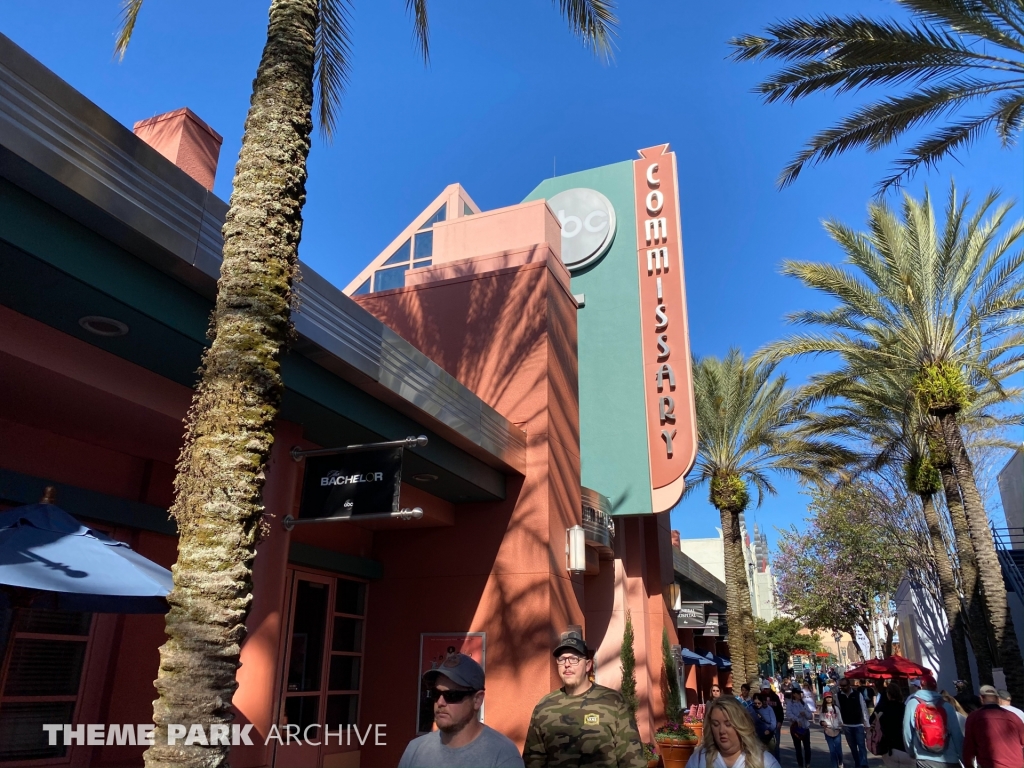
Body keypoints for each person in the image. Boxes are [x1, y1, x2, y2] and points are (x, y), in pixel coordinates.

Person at [523, 631, 645, 768]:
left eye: (574, 659)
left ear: (587, 665)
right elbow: (532, 761)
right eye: (562, 659)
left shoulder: (613, 702)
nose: (567, 664)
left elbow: (632, 761)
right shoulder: (544, 707)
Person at [399, 653, 525, 767]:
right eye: (435, 694)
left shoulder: (502, 755)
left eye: (452, 695)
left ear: (477, 700)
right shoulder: (415, 750)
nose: (440, 702)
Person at [685, 696, 781, 768]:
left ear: (741, 725)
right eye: (716, 724)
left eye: (728, 724)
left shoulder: (765, 762)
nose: (721, 731)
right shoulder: (698, 760)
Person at [902, 675, 963, 768]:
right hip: (949, 759)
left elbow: (907, 732)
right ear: (936, 687)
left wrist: (911, 752)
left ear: (921, 687)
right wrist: (963, 758)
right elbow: (957, 734)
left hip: (924, 760)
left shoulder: (912, 704)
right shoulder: (947, 706)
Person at [962, 684, 1024, 768]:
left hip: (991, 764)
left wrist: (968, 765)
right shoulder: (1013, 716)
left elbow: (969, 746)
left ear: (981, 698)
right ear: (997, 699)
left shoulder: (974, 717)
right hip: (1016, 764)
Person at [836, 676, 870, 768]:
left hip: (858, 724)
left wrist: (867, 724)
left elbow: (864, 709)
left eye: (844, 686)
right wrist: (840, 724)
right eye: (841, 686)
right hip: (847, 725)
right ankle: (857, 763)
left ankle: (864, 764)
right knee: (853, 748)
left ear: (849, 685)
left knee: (861, 746)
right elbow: (838, 710)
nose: (842, 688)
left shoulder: (858, 694)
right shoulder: (838, 696)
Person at [877, 684, 908, 767]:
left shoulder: (883, 709)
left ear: (888, 694)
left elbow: (874, 722)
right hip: (905, 747)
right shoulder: (905, 708)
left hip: (889, 748)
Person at [786, 688, 813, 768]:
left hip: (805, 727)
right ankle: (800, 765)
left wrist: (805, 714)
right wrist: (797, 718)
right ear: (794, 694)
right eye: (798, 693)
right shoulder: (790, 704)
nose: (799, 695)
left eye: (800, 693)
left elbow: (810, 715)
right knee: (798, 748)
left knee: (807, 747)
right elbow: (788, 714)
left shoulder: (803, 703)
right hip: (795, 729)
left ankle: (807, 764)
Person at [819, 690, 845, 768]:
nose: (829, 699)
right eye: (827, 697)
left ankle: (840, 762)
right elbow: (821, 719)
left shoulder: (836, 708)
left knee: (838, 750)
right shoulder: (823, 709)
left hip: (837, 730)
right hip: (828, 730)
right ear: (824, 699)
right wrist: (823, 723)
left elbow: (840, 719)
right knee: (832, 751)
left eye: (830, 697)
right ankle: (834, 766)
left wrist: (841, 725)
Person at [761, 682, 783, 762]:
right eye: (764, 689)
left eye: (767, 688)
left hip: (776, 723)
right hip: (764, 725)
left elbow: (780, 710)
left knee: (776, 745)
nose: (766, 690)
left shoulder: (775, 697)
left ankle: (777, 762)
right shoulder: (760, 697)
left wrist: (780, 721)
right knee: (764, 745)